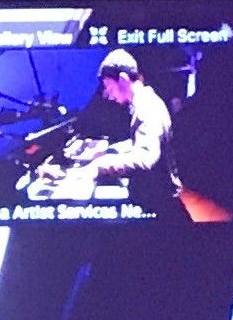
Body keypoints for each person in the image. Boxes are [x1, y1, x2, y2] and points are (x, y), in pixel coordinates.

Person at [25, 49, 180, 216]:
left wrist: (98, 167)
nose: (108, 94)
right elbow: (141, 141)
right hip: (153, 192)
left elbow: (145, 158)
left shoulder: (146, 108)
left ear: (122, 79)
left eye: (108, 86)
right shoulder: (144, 102)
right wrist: (108, 151)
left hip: (157, 201)